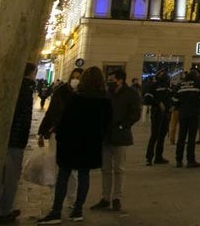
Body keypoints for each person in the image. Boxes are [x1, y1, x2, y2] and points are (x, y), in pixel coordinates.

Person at [37, 66, 112, 225]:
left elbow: (65, 121)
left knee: (63, 175)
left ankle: (56, 211)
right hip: (91, 145)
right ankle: (78, 210)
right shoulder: (105, 101)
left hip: (71, 143)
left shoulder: (76, 98)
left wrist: (60, 137)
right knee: (84, 176)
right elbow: (107, 125)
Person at [0, 62, 36, 224]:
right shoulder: (25, 89)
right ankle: (1, 211)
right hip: (15, 140)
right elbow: (21, 116)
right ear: (31, 73)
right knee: (9, 178)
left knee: (1, 177)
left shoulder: (12, 86)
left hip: (5, 138)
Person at [90, 68, 141, 213]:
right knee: (106, 169)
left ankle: (117, 197)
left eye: (112, 80)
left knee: (119, 169)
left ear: (120, 80)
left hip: (121, 135)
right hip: (106, 136)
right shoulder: (106, 94)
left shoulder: (131, 94)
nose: (109, 82)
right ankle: (105, 198)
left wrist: (123, 125)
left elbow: (135, 113)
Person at [173, 68, 200, 168]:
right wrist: (198, 106)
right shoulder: (198, 83)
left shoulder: (181, 84)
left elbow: (175, 99)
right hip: (194, 113)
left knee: (181, 137)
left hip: (183, 113)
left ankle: (178, 160)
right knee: (191, 138)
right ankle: (190, 160)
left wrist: (179, 107)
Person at [39, 68, 84, 140]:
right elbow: (51, 111)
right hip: (58, 131)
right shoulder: (61, 91)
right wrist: (43, 131)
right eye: (73, 77)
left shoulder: (86, 94)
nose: (75, 80)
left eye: (78, 78)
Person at [143, 70, 171, 165]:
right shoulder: (153, 86)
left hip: (166, 114)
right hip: (157, 113)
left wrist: (171, 106)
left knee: (162, 136)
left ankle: (159, 157)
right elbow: (147, 99)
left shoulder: (168, 87)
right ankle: (149, 158)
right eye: (162, 74)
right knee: (154, 135)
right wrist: (158, 103)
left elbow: (170, 98)